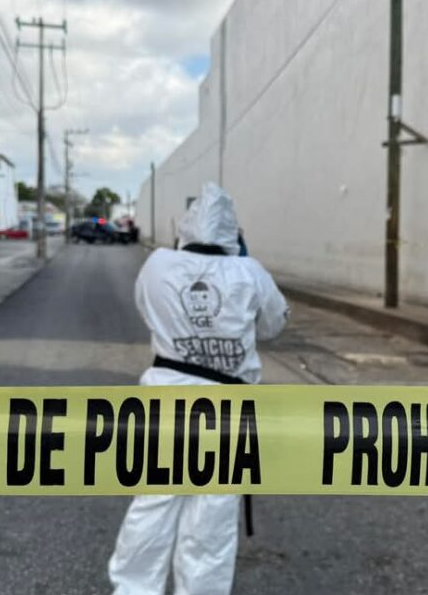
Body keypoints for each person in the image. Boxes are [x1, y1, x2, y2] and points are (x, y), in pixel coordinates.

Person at [108, 182, 289, 595]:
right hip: (227, 410)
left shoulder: (157, 265)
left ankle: (133, 589)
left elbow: (146, 310)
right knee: (212, 516)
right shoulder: (250, 272)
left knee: (154, 502)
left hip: (166, 400)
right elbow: (273, 324)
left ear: (185, 229)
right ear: (233, 233)